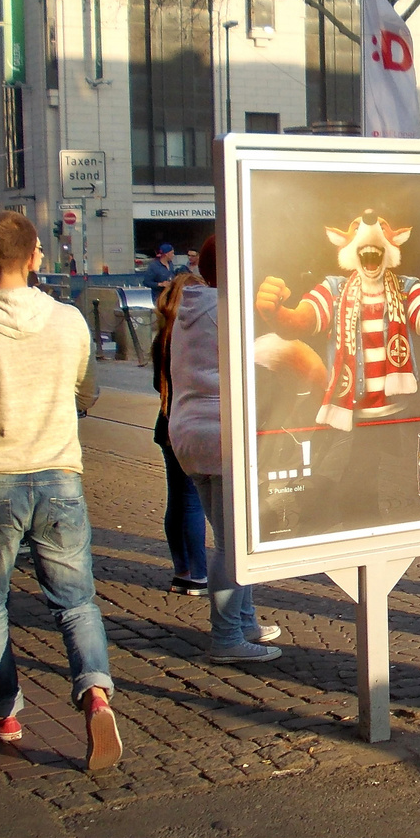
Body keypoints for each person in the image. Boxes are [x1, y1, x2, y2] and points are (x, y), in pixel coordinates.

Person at [0, 210, 122, 770]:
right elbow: (87, 395)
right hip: (60, 476)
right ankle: (95, 695)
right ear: (36, 256)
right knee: (76, 601)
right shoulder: (69, 322)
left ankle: (3, 712)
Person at [170, 236, 286, 663]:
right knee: (235, 544)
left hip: (189, 432)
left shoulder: (191, 306)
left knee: (233, 535)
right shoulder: (231, 312)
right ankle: (226, 638)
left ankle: (245, 621)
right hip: (224, 436)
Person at [153, 272, 209, 596]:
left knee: (177, 500)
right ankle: (199, 574)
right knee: (192, 503)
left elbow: (156, 384)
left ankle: (182, 570)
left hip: (166, 423)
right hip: (190, 426)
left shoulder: (163, 334)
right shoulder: (193, 336)